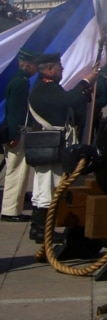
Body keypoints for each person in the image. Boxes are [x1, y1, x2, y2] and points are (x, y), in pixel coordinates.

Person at [27, 52, 99, 251]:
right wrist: (86, 81)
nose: (62, 69)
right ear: (49, 69)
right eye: (59, 67)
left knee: (45, 187)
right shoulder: (45, 88)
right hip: (51, 145)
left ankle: (38, 228)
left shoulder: (47, 87)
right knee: (46, 188)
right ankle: (42, 230)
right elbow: (67, 101)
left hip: (52, 145)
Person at [1, 48, 39, 223]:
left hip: (16, 131)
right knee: (17, 171)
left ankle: (13, 208)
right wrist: (14, 134)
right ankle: (11, 211)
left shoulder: (19, 80)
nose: (35, 70)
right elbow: (16, 112)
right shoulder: (21, 83)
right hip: (18, 132)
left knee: (16, 170)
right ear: (27, 65)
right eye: (34, 66)